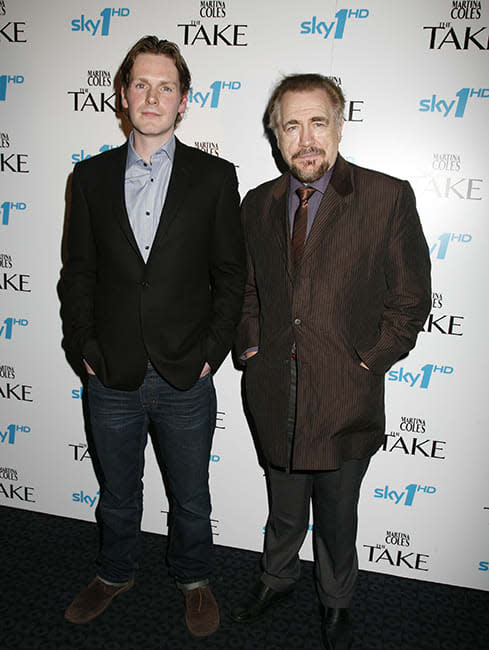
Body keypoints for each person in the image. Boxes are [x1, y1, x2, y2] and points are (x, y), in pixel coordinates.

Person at [231, 74, 431, 650]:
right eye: (291, 125)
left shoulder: (386, 196)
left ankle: (337, 602)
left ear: (339, 126)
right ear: (277, 137)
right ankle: (277, 578)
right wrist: (250, 347)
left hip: (345, 399)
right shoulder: (259, 204)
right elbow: (247, 291)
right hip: (275, 394)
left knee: (338, 518)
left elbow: (411, 299)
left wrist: (368, 362)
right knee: (284, 510)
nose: (307, 138)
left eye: (318, 122)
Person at [61, 36, 245, 637]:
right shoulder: (87, 179)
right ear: (122, 94)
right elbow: (78, 275)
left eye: (166, 87)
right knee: (117, 493)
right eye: (141, 84)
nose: (153, 96)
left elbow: (230, 276)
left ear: (184, 101)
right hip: (109, 371)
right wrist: (82, 348)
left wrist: (209, 358)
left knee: (190, 496)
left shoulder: (216, 178)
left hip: (185, 374)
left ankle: (194, 579)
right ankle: (115, 572)